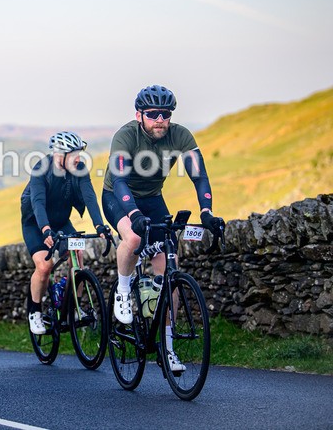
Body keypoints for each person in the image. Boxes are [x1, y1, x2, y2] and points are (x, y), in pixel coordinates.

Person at [102, 84, 225, 371]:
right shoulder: (125, 135)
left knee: (170, 262)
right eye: (153, 113)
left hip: (153, 198)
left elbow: (199, 175)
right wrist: (132, 213)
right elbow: (119, 180)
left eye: (165, 113)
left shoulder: (180, 135)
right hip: (118, 196)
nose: (160, 119)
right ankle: (123, 290)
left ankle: (167, 348)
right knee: (133, 238)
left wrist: (206, 212)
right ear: (139, 115)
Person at [20, 132, 111, 335]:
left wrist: (100, 226)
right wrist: (45, 229)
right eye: (74, 154)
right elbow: (38, 203)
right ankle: (34, 312)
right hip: (35, 223)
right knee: (45, 266)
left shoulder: (78, 169)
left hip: (61, 222)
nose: (78, 158)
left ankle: (73, 308)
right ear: (59, 155)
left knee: (77, 258)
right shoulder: (41, 169)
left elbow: (89, 196)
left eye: (79, 153)